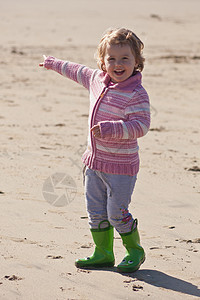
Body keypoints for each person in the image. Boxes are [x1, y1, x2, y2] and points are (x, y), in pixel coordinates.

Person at [39, 28, 150, 273]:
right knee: (95, 210)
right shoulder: (96, 79)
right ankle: (103, 252)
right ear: (102, 62)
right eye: (111, 59)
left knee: (116, 213)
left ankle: (134, 251)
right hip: (93, 164)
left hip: (121, 167)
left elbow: (141, 126)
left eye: (125, 59)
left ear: (136, 63)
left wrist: (113, 128)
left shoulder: (135, 93)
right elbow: (76, 70)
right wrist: (53, 63)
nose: (118, 64)